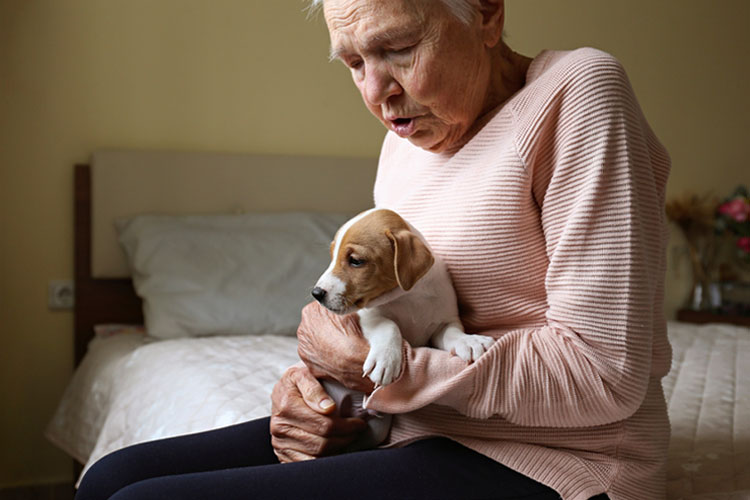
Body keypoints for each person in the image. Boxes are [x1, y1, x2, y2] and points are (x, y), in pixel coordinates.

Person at [75, 0, 671, 498]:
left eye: (398, 49)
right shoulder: (404, 145)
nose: (377, 92)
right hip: (401, 425)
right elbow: (373, 306)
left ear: (487, 14)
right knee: (110, 478)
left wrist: (391, 375)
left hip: (553, 457)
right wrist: (304, 392)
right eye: (354, 62)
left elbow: (606, 374)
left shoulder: (578, 93)